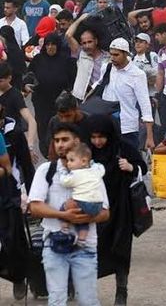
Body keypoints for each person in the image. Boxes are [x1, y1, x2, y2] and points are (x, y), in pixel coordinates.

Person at [28, 122, 110, 305]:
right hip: (53, 244)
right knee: (56, 299)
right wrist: (65, 216)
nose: (60, 144)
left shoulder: (92, 172)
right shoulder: (46, 171)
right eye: (56, 140)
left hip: (85, 246)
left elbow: (105, 212)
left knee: (88, 300)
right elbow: (34, 207)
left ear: (77, 141)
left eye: (65, 139)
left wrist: (84, 217)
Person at [88, 114, 147, 305]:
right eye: (93, 137)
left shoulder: (123, 148)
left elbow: (142, 167)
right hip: (95, 209)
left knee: (121, 249)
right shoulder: (86, 152)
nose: (97, 141)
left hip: (121, 208)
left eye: (101, 137)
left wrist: (131, 167)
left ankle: (121, 290)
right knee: (93, 249)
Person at [23, 33, 77, 156]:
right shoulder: (38, 59)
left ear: (58, 45)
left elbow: (73, 81)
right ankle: (47, 154)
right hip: (41, 101)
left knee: (61, 128)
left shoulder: (67, 61)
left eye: (53, 44)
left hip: (60, 103)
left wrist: (68, 92)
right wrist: (26, 85)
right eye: (48, 44)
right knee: (43, 128)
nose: (50, 47)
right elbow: (29, 75)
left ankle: (62, 153)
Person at [100, 37, 155, 150]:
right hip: (107, 126)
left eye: (116, 55)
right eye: (111, 54)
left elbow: (145, 105)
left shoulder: (137, 74)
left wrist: (149, 136)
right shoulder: (107, 68)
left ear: (125, 54)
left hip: (127, 128)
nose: (112, 58)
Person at [59, 143, 105, 248]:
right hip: (98, 205)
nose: (68, 164)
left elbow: (65, 182)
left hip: (84, 203)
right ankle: (82, 239)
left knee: (64, 206)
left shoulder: (76, 174)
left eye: (71, 160)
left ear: (83, 161)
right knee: (84, 221)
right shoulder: (95, 171)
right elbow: (102, 169)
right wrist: (93, 164)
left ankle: (64, 228)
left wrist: (62, 172)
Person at [66, 14, 110, 100]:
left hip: (103, 96)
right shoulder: (81, 54)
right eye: (84, 43)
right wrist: (80, 19)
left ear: (96, 41)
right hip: (83, 98)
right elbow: (68, 35)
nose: (87, 46)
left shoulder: (107, 57)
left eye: (90, 42)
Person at [0, 63, 37, 159]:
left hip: (12, 142)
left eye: (0, 81)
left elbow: (31, 121)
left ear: (9, 78)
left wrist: (30, 146)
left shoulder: (15, 96)